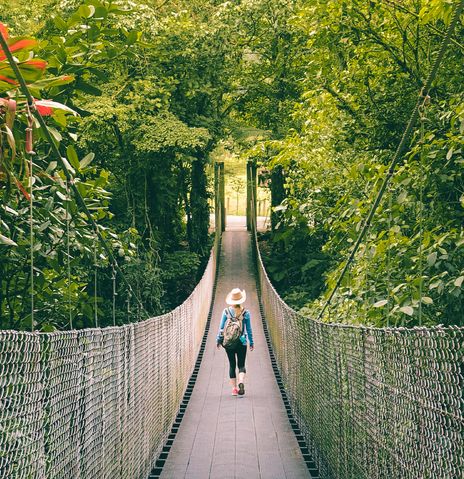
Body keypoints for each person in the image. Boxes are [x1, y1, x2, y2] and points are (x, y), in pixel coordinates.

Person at [216, 287, 254, 396]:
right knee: (241, 364)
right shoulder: (246, 312)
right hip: (242, 341)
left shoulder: (226, 311)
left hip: (229, 343)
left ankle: (234, 389)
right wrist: (251, 342)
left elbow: (221, 328)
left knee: (232, 364)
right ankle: (241, 381)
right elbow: (249, 329)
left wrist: (218, 340)